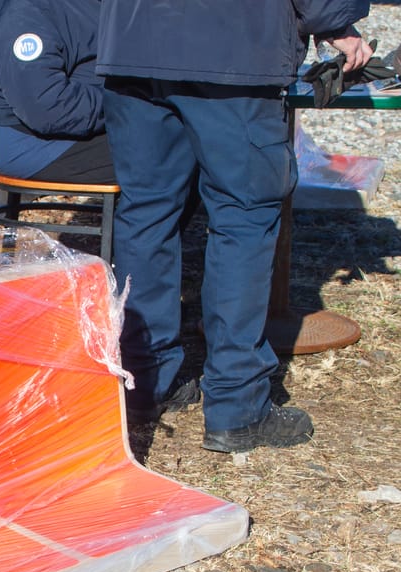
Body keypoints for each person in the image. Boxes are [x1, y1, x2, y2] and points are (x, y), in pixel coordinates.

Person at [96, 1, 373, 453]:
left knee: (146, 215)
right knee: (242, 220)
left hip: (131, 45)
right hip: (232, 51)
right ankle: (236, 405)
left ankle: (145, 383)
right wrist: (335, 21)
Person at [0, 0, 114, 184]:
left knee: (158, 132)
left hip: (91, 117)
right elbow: (45, 107)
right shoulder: (23, 12)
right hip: (37, 141)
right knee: (157, 151)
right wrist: (124, 104)